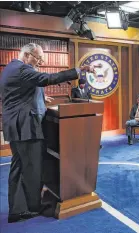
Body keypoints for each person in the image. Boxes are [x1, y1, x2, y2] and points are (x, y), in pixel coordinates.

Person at [0, 43, 95, 223]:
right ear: (27, 55)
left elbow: (17, 93)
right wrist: (78, 71)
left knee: (20, 167)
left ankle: (17, 209)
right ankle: (31, 208)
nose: (40, 62)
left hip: (16, 126)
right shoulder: (22, 69)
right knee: (31, 168)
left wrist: (40, 97)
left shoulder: (10, 68)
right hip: (25, 127)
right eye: (38, 58)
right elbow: (48, 78)